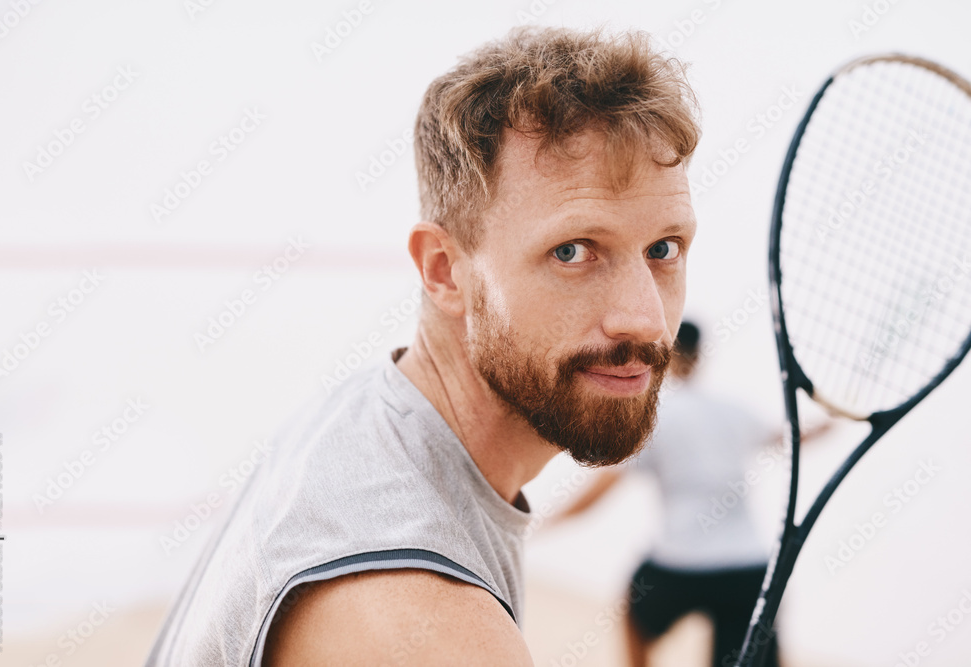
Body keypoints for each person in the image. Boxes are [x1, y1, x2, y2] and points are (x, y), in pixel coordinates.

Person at [145, 25, 701, 666]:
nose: (645, 319)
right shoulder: (428, 621)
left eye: (664, 249)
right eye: (572, 251)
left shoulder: (361, 421)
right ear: (443, 269)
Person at [556, 321, 797, 667]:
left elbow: (603, 487)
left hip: (679, 565)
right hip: (748, 568)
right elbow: (788, 438)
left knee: (634, 614)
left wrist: (548, 520)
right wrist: (828, 423)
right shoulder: (733, 410)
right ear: (700, 356)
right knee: (753, 655)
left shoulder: (654, 416)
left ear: (665, 354)